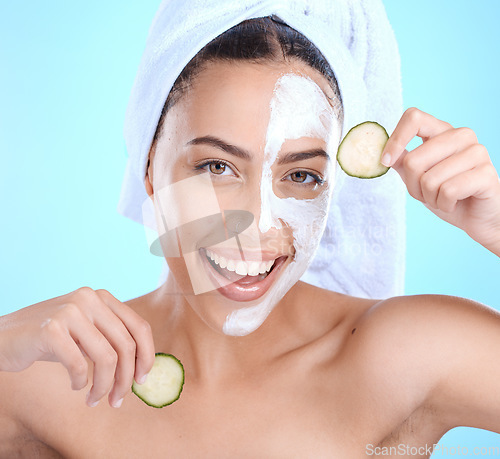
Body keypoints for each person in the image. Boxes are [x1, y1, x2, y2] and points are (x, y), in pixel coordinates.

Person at [1, 1, 499, 457]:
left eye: (301, 175)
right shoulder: (43, 380)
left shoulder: (397, 359)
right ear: (150, 167)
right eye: (217, 167)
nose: (258, 225)